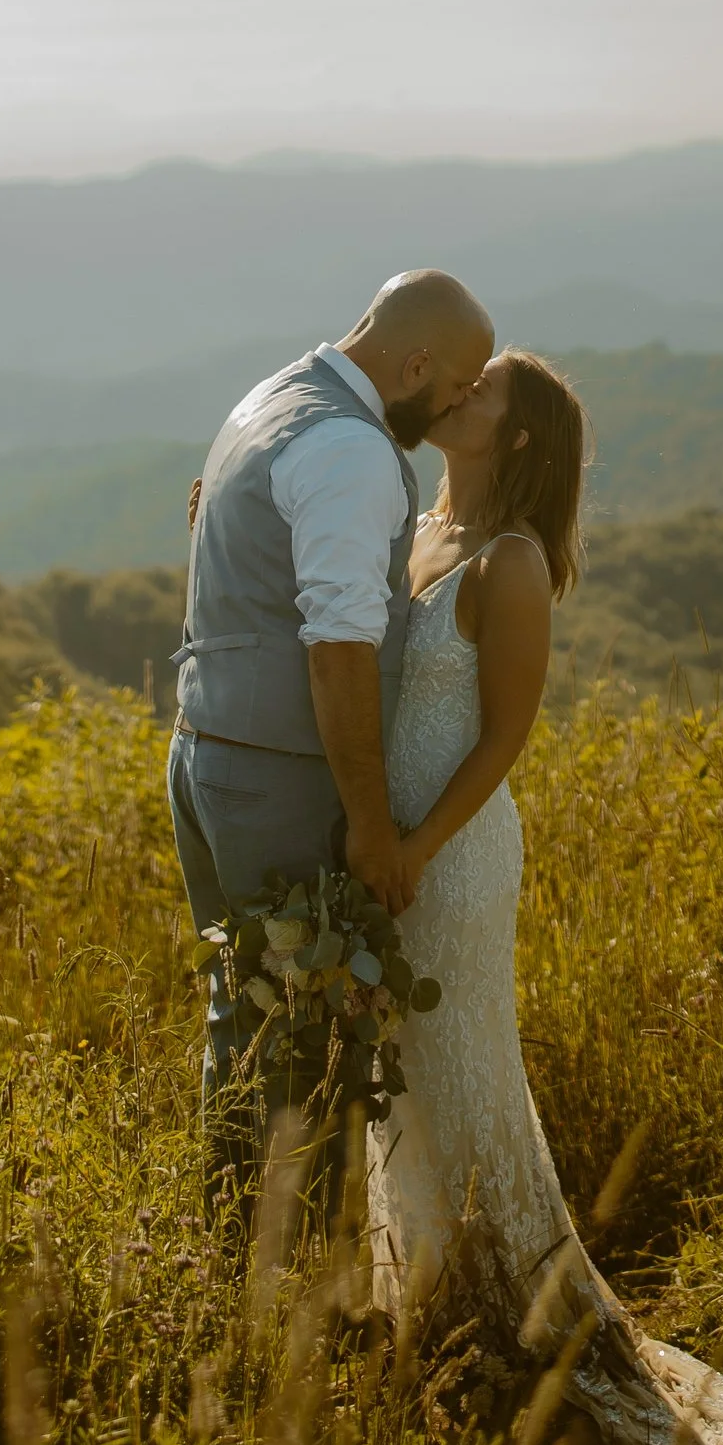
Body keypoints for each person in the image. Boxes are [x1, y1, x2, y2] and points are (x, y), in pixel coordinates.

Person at [366, 349, 723, 1445]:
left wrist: (416, 845)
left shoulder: (507, 563)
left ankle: (518, 1327)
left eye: (480, 396)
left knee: (458, 1074)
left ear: (514, 438)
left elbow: (504, 736)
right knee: (396, 1072)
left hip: (451, 854)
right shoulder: (413, 528)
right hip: (384, 841)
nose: (455, 397)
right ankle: (426, 1313)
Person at [167, 269, 495, 1166]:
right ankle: (288, 1278)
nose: (456, 408)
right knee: (298, 1041)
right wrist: (368, 823)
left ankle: (238, 1261)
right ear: (415, 362)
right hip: (277, 778)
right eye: (455, 387)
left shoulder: (272, 397)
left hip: (206, 751)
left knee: (245, 1020)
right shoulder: (350, 450)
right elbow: (340, 646)